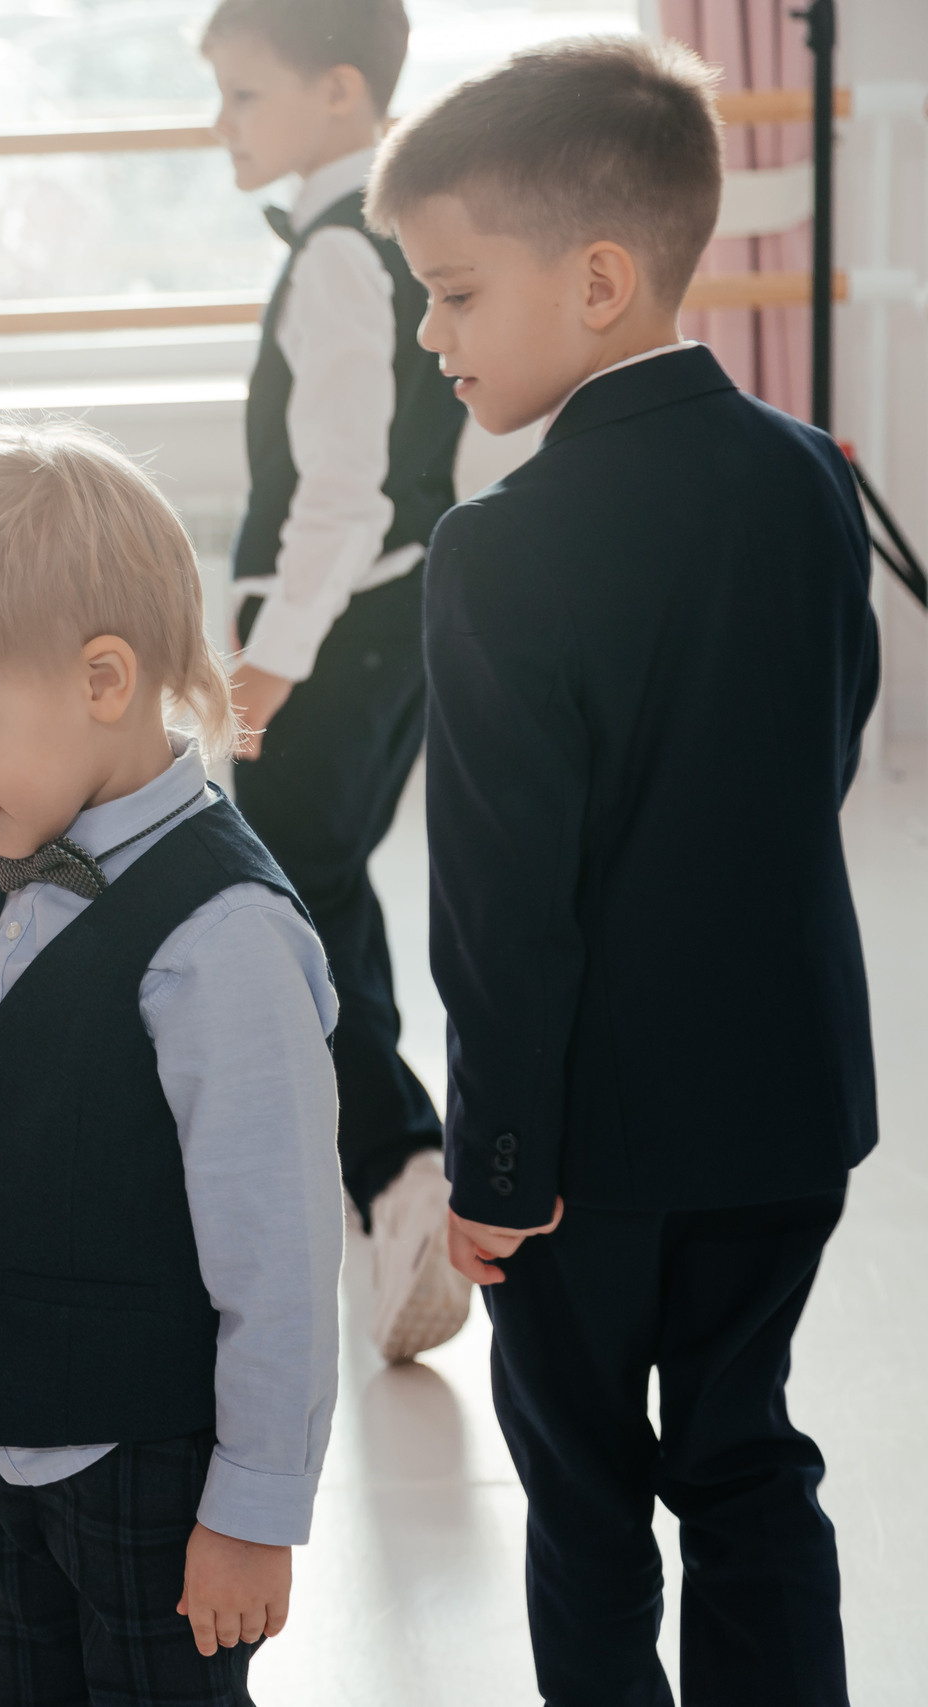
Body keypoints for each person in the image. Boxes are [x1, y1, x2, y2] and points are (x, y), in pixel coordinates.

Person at [371, 38, 877, 1702]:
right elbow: (829, 747)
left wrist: (495, 1164)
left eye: (451, 292)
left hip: (582, 1147)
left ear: (595, 279)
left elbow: (506, 906)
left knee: (586, 1494)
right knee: (746, 1452)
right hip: (789, 1110)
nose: (431, 334)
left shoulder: (500, 547)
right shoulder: (813, 476)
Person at [0, 424, 342, 1703]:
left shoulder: (221, 939)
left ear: (104, 679)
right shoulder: (12, 846)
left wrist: (255, 1509)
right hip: (1, 1448)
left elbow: (277, 1256)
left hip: (154, 1468)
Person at [199, 0, 470, 1364]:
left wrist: (263, 667)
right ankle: (384, 1185)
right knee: (324, 883)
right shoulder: (383, 238)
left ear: (342, 97)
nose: (221, 126)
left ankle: (402, 1169)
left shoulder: (333, 258)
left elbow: (342, 498)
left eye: (244, 96)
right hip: (392, 620)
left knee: (287, 900)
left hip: (341, 634)